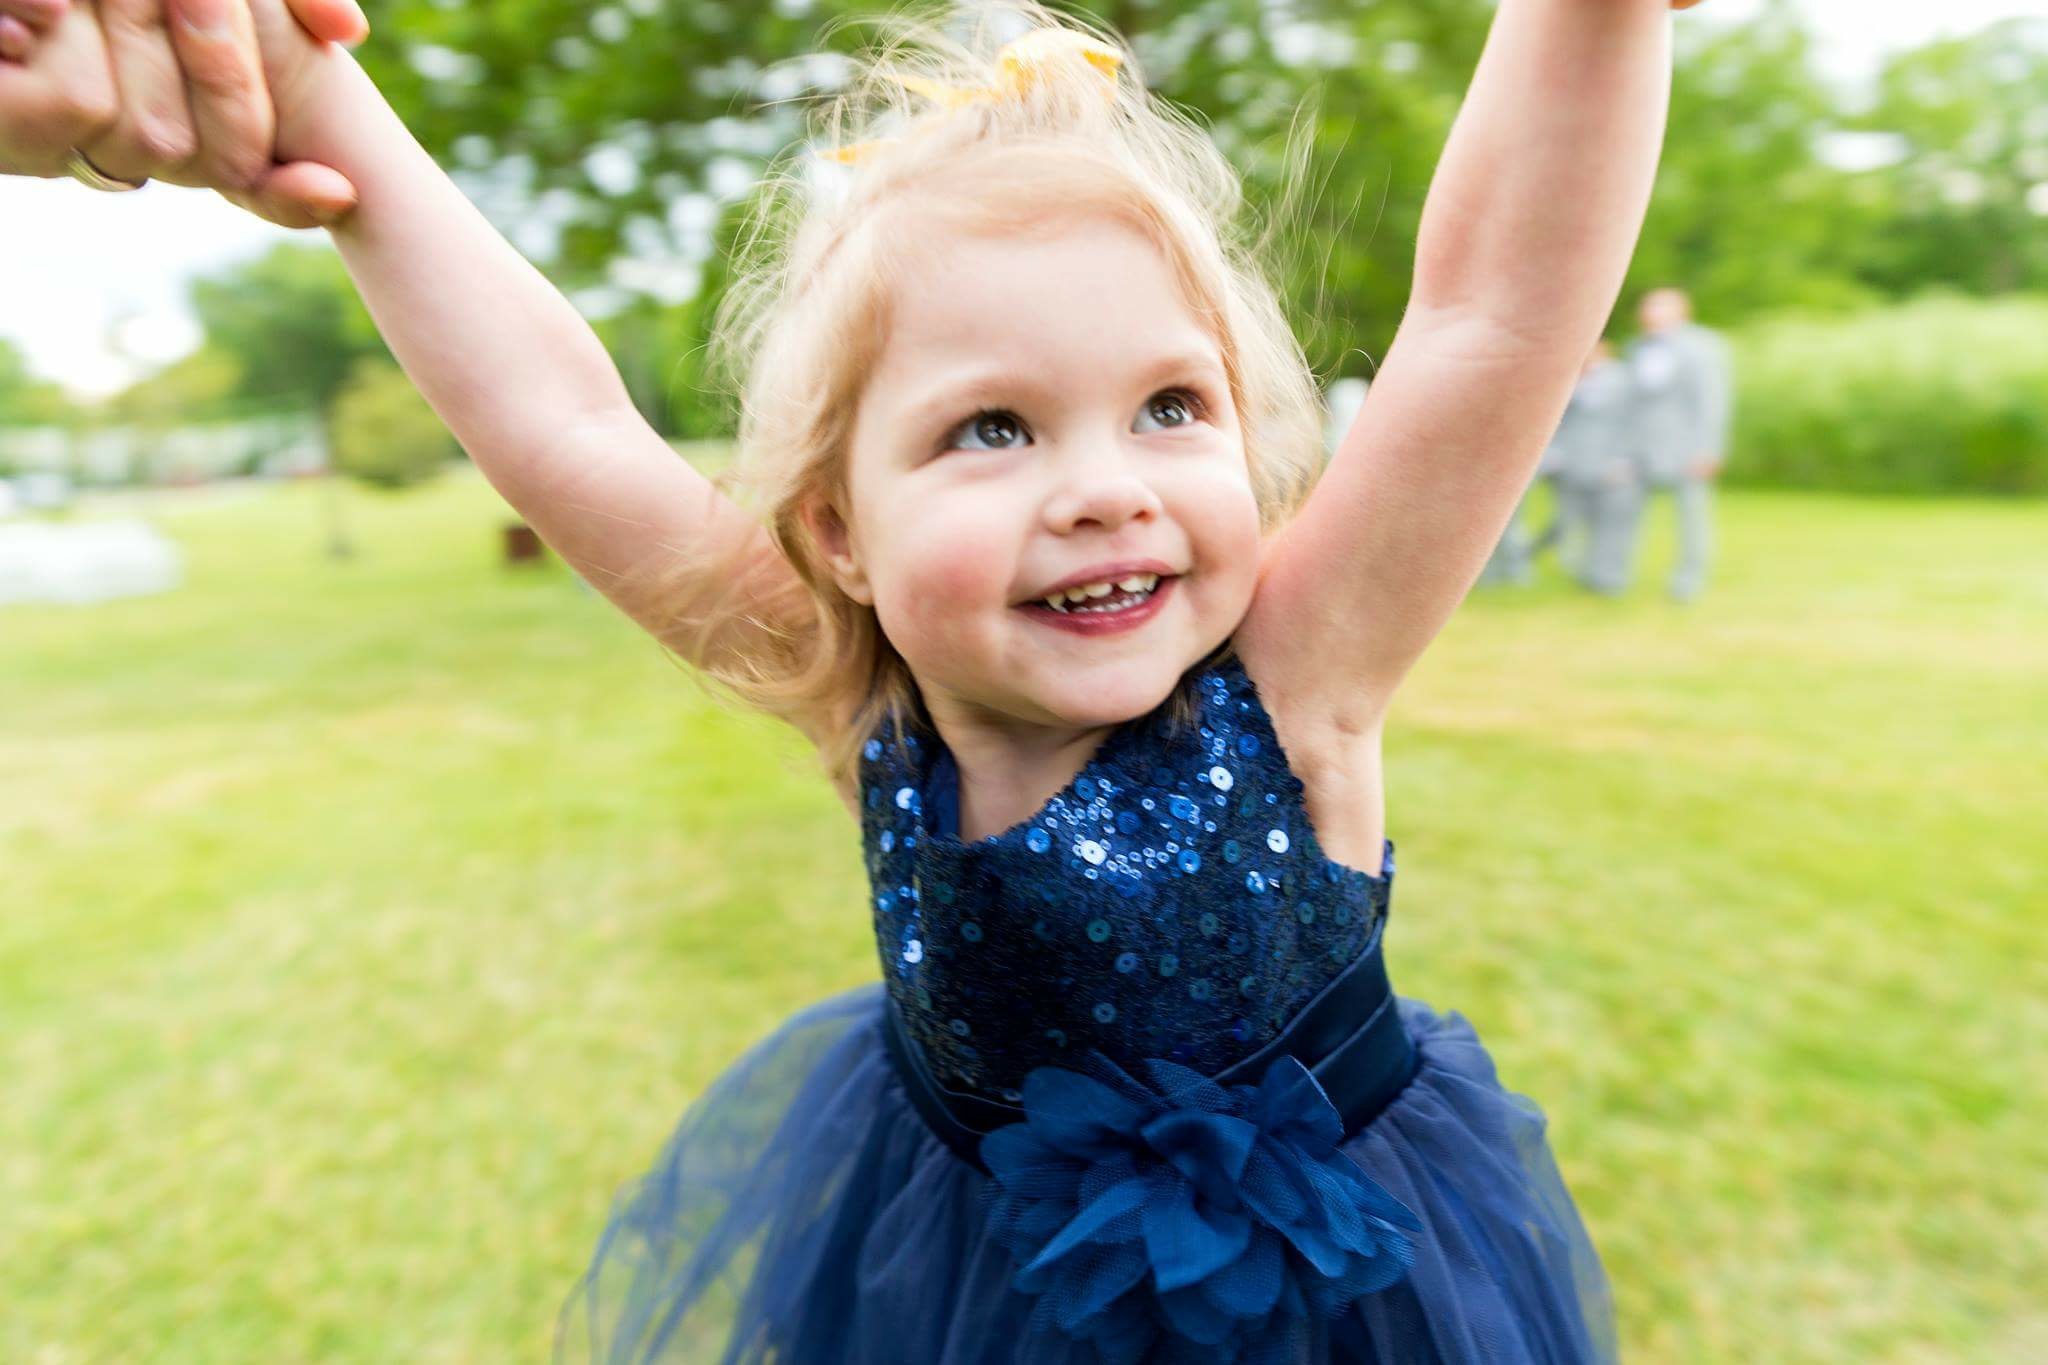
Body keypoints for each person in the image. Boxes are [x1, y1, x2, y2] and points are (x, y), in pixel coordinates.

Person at [4, 0, 1701, 1358]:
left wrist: (1595, 16)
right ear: (840, 533)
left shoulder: (1301, 672)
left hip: (1334, 1310)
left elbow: (1486, 312)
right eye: (991, 427)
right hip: (957, 1282)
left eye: (1169, 408)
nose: (1103, 483)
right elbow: (559, 422)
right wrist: (320, 99)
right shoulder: (862, 698)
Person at [1619, 285, 1732, 601]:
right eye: (1647, 306)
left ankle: (1688, 579)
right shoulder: (1635, 347)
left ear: (1681, 311)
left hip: (1687, 448)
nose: (1649, 313)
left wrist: (1709, 449)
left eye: (1658, 307)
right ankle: (1615, 574)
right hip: (1640, 448)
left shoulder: (1704, 347)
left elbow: (1712, 402)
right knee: (1625, 513)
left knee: (1692, 518)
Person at [1537, 339, 1640, 594]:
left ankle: (1610, 578)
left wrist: (1626, 458)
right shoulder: (1571, 379)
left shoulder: (1623, 379)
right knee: (1569, 520)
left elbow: (1635, 421)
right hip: (1573, 463)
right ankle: (1582, 572)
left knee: (1612, 523)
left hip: (1613, 463)